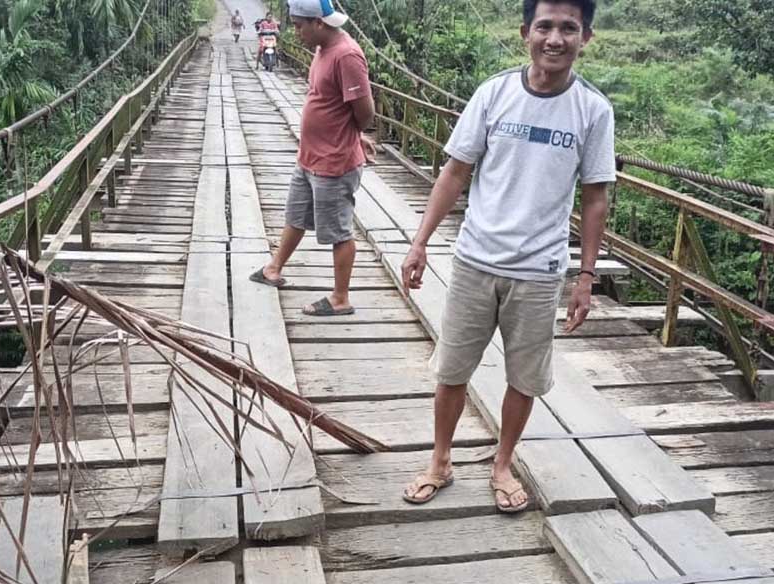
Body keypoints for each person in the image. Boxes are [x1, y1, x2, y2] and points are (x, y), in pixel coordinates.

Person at [399, 0, 615, 511]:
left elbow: (596, 196)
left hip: (540, 272)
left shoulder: (593, 110)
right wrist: (420, 239)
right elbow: (455, 170)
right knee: (453, 369)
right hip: (476, 259)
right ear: (526, 32)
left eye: (569, 28)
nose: (555, 39)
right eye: (545, 26)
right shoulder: (493, 93)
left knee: (525, 377)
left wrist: (585, 276)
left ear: (586, 38)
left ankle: (502, 463)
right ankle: (441, 460)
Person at [250, 0, 376, 318]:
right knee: (296, 215)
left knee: (338, 231)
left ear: (318, 24)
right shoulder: (322, 49)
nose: (295, 32)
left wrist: (353, 135)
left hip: (334, 162)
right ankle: (273, 268)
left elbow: (365, 112)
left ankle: (340, 297)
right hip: (309, 157)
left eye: (298, 26)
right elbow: (333, 102)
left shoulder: (346, 55)